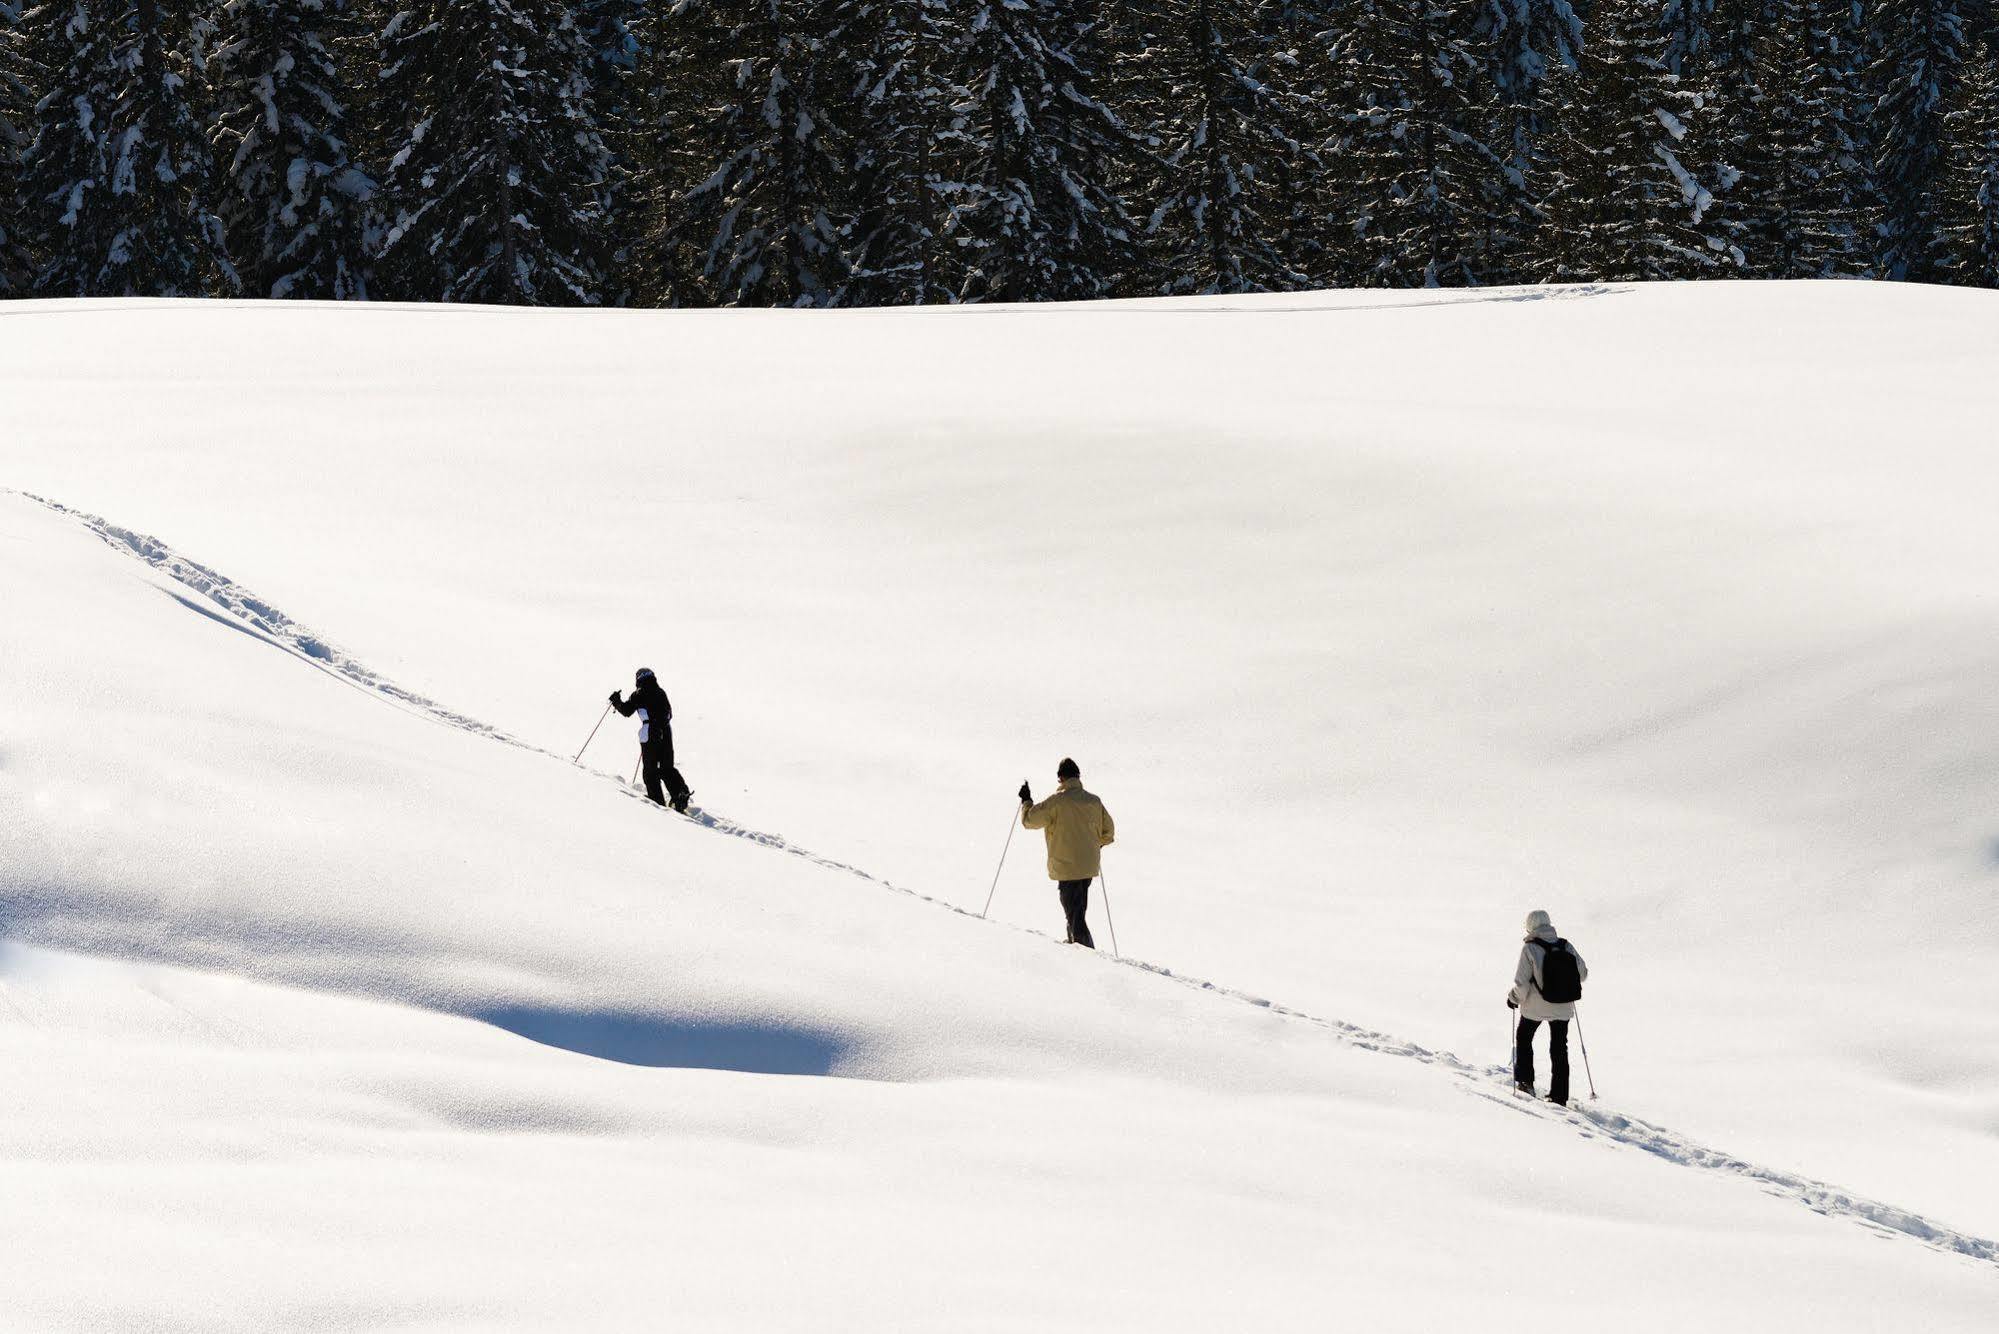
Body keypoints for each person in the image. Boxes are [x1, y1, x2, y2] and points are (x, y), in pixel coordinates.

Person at [1019, 758, 1115, 947]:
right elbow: (1109, 832)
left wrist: (1026, 801)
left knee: (1074, 914)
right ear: (1078, 776)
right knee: (1077, 911)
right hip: (1088, 866)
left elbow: (1029, 821)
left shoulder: (1056, 802)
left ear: (1061, 778)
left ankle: (1085, 951)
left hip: (1066, 865)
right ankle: (1074, 944)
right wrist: (1094, 846)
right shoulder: (1094, 801)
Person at [1507, 909, 1588, 1105]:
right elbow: (1583, 974)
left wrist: (1513, 999)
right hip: (1563, 1006)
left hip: (1535, 1006)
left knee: (1524, 1038)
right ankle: (1559, 1096)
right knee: (1559, 1047)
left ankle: (1526, 1083)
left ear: (1530, 926)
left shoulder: (1530, 948)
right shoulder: (1565, 945)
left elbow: (1522, 984)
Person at [610, 667, 690, 812]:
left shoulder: (639, 694)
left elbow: (627, 711)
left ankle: (657, 802)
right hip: (666, 731)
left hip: (650, 732)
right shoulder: (661, 692)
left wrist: (616, 701)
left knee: (650, 771)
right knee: (667, 768)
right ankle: (680, 794)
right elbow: (669, 713)